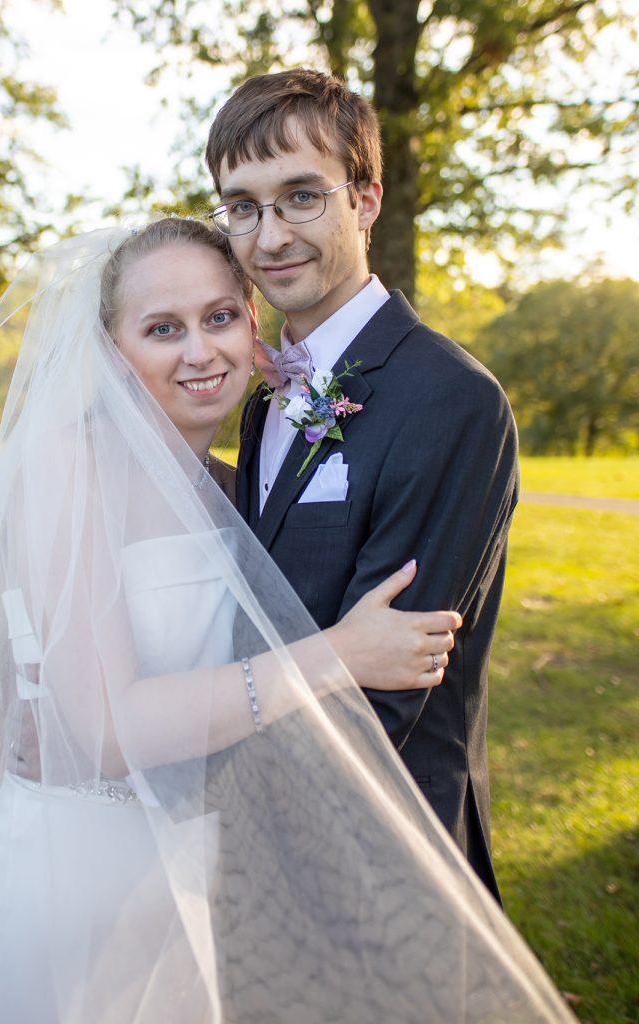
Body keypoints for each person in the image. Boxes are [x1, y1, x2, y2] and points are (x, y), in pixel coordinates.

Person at [0, 219, 572, 1024]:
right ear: (113, 351)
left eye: (219, 317)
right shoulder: (70, 465)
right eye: (163, 329)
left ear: (254, 328)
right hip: (71, 880)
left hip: (195, 874)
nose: (199, 351)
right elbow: (108, 731)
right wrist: (337, 655)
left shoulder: (237, 488)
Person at [206, 68, 520, 900]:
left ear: (367, 198)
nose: (269, 237)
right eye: (243, 205)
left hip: (385, 858)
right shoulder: (266, 388)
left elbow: (386, 691)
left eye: (301, 196)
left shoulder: (451, 399)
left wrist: (185, 785)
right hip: (264, 860)